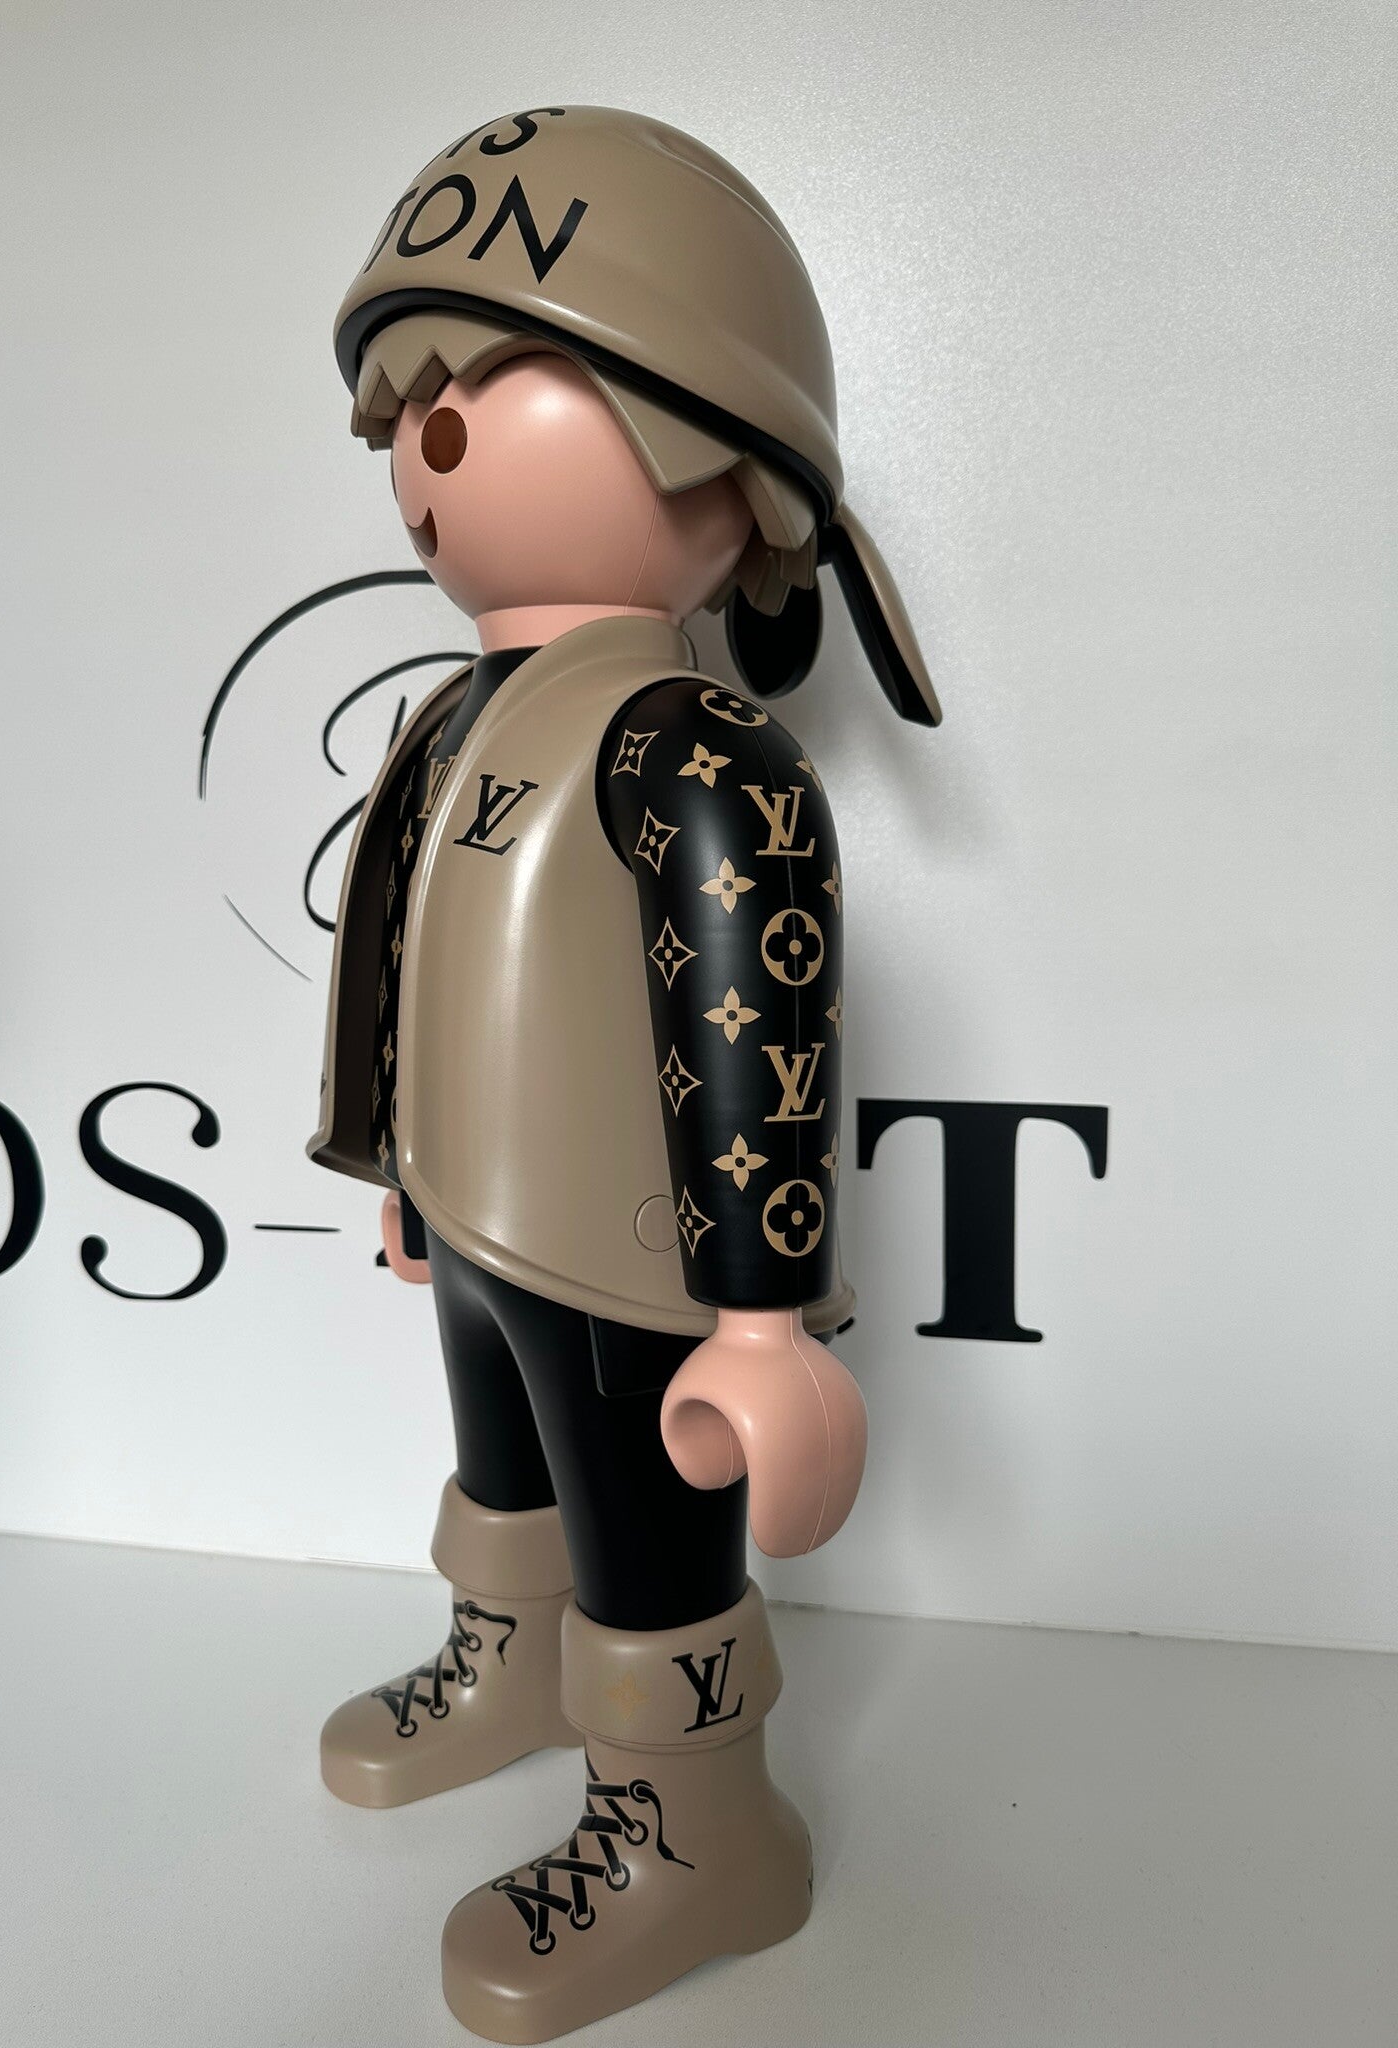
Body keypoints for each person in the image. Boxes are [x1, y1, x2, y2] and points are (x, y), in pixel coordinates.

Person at [306, 105, 939, 2042]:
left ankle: (697, 1826)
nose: (430, 448)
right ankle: (509, 1662)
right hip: (478, 1215)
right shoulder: (453, 715)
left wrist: (760, 1317)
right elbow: (416, 948)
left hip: (628, 1257)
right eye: (414, 404)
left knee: (650, 1545)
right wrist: (404, 1167)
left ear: (722, 459)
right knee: (506, 1470)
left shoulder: (693, 746)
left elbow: (757, 1026)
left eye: (482, 389)